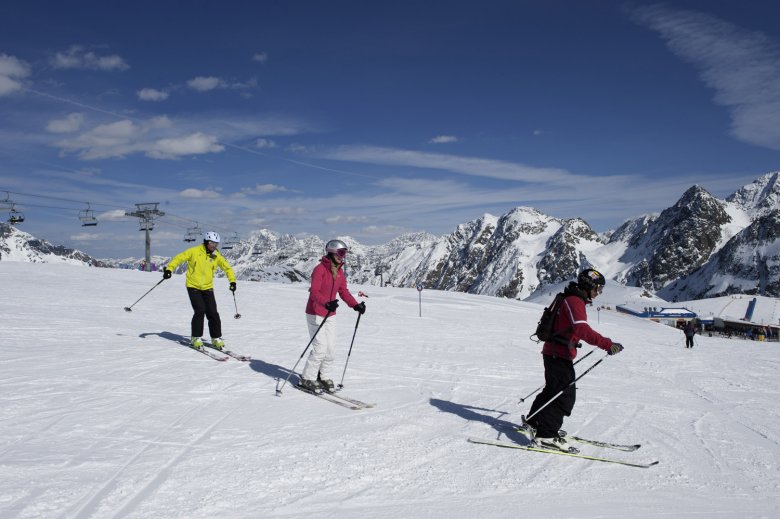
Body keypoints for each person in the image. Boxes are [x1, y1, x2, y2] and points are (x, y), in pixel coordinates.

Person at [523, 268, 624, 452]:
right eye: (597, 289)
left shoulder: (573, 299)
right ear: (588, 286)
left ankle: (535, 422)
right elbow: (582, 330)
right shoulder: (574, 301)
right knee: (564, 396)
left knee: (553, 390)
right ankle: (546, 435)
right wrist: (607, 344)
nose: (598, 293)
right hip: (558, 354)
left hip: (555, 352)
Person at [299, 239, 366, 393]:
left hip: (330, 314)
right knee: (320, 348)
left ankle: (323, 377)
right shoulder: (320, 269)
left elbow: (343, 292)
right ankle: (307, 378)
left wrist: (355, 305)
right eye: (341, 253)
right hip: (315, 312)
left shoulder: (340, 272)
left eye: (345, 253)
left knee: (330, 349)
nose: (343, 256)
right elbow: (314, 292)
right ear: (332, 252)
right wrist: (326, 303)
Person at [162, 231, 237, 350]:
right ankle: (195, 337)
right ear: (206, 241)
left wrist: (232, 281)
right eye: (212, 243)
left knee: (213, 312)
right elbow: (179, 258)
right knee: (200, 310)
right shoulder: (194, 251)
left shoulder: (216, 255)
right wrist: (169, 269)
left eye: (216, 244)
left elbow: (227, 268)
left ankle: (216, 338)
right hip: (193, 286)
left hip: (207, 287)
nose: (214, 246)